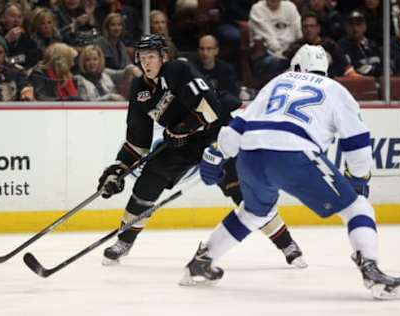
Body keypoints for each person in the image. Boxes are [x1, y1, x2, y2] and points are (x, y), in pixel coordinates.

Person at [180, 44, 400, 301]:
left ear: (296, 66)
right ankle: (371, 268)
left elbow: (240, 123)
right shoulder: (335, 89)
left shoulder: (278, 81)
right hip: (293, 152)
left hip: (250, 154)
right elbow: (356, 140)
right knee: (358, 208)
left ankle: (202, 262)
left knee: (255, 212)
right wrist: (359, 178)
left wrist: (217, 153)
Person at [96, 34, 305, 268]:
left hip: (216, 135)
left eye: (152, 57)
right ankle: (124, 241)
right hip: (182, 143)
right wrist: (118, 168)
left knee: (244, 195)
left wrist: (182, 128)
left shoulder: (178, 69)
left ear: (163, 57)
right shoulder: (139, 90)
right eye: (142, 57)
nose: (147, 63)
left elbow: (210, 107)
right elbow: (137, 139)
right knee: (147, 182)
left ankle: (287, 243)